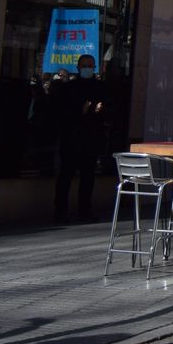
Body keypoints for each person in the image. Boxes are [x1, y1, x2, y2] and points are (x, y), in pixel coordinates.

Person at [53, 54, 104, 222]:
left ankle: (85, 209)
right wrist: (81, 111)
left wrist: (99, 110)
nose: (88, 69)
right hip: (71, 139)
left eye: (91, 66)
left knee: (88, 176)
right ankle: (60, 211)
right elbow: (62, 112)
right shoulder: (69, 88)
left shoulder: (99, 87)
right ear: (78, 68)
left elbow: (108, 109)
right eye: (85, 66)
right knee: (66, 175)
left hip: (90, 139)